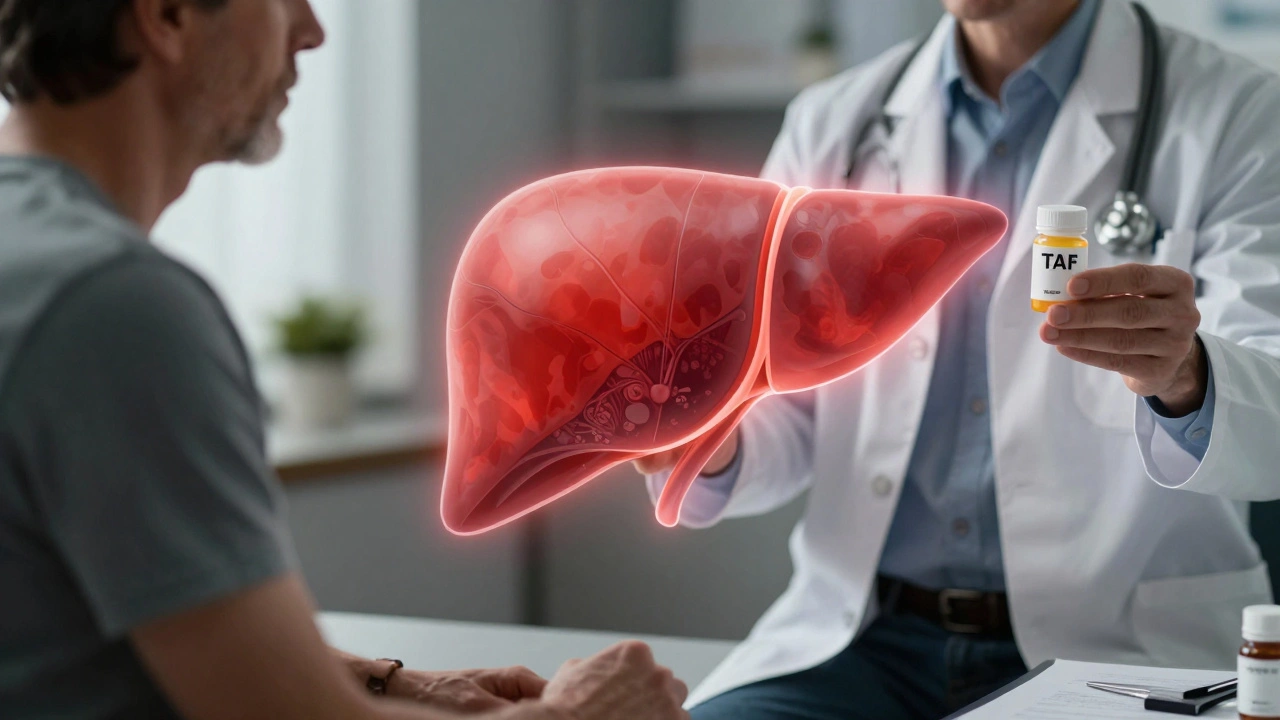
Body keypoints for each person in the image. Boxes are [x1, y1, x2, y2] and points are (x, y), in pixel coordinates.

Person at [0, 1, 691, 719]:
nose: (312, 30)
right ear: (167, 16)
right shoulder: (115, 308)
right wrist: (581, 713)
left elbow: (157, 630)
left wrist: (393, 681)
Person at [637, 0, 1280, 717]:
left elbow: (1272, 416)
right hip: (859, 646)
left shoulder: (1241, 113)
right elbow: (784, 410)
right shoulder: (834, 122)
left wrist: (1184, 375)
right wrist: (710, 437)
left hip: (1115, 648)